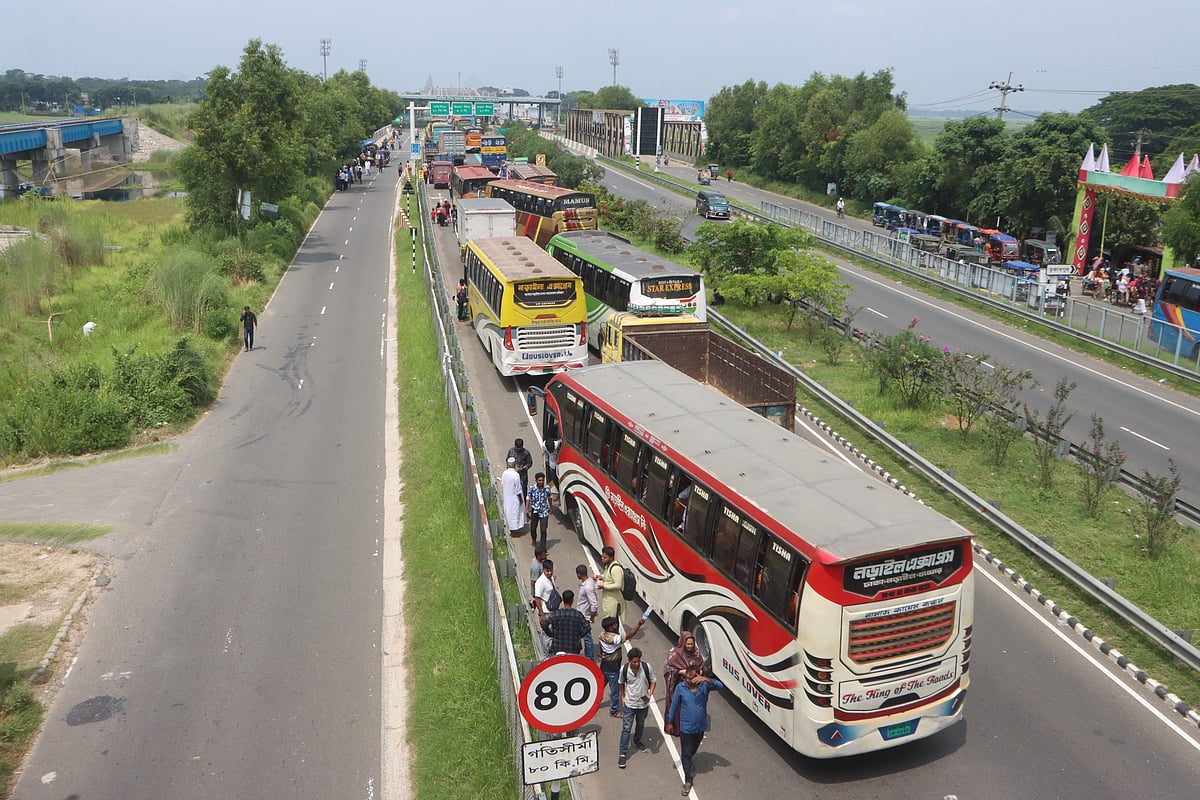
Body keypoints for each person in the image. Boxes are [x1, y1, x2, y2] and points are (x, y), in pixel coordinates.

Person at [667, 665, 724, 795]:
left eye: (692, 678)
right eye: (687, 678)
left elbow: (720, 686)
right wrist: (669, 722)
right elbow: (674, 704)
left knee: (693, 749)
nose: (689, 680)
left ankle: (688, 761)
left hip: (700, 726)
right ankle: (688, 780)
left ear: (698, 676)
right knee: (686, 754)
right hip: (686, 727)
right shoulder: (680, 688)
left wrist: (706, 679)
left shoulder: (705, 686)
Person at [598, 613, 648, 716]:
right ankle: (614, 711)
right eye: (614, 625)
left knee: (599, 687)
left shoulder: (601, 635)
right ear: (610, 628)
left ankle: (593, 703)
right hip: (613, 668)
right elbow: (629, 635)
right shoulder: (614, 638)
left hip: (604, 665)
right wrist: (639, 624)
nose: (616, 626)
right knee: (614, 692)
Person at [617, 646, 657, 768]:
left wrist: (650, 694)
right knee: (626, 729)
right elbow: (621, 683)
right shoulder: (624, 669)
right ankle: (623, 754)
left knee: (640, 724)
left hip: (643, 705)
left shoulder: (646, 667)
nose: (636, 664)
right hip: (629, 704)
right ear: (629, 661)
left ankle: (637, 740)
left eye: (638, 661)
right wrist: (623, 697)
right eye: (634, 662)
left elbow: (653, 681)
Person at [663, 630, 707, 728]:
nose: (690, 646)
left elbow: (701, 666)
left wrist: (699, 673)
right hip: (680, 686)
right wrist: (679, 672)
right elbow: (667, 668)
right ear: (683, 642)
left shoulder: (697, 653)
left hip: (693, 688)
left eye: (692, 644)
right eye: (688, 644)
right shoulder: (675, 654)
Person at [539, 589, 588, 655]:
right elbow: (587, 627)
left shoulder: (556, 614)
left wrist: (551, 634)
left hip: (558, 647)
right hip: (573, 647)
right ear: (572, 600)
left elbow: (544, 624)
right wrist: (579, 635)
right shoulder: (578, 614)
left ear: (562, 600)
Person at [575, 564, 600, 660]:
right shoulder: (589, 582)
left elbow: (594, 604)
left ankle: (589, 658)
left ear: (579, 574)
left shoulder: (587, 587)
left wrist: (591, 617)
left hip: (584, 616)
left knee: (587, 638)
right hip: (583, 614)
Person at [526, 472, 555, 551]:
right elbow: (528, 498)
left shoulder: (547, 488)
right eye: (539, 480)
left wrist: (551, 507)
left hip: (544, 511)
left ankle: (542, 547)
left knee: (543, 530)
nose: (541, 482)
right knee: (533, 528)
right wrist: (526, 510)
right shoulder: (532, 488)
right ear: (536, 480)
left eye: (542, 480)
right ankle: (534, 540)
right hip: (534, 511)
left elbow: (549, 497)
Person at [595, 546, 626, 620]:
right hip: (608, 599)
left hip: (613, 601)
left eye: (605, 557)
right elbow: (608, 576)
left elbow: (618, 585)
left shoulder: (615, 569)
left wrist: (604, 586)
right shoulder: (608, 566)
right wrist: (600, 577)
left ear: (611, 558)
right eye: (602, 556)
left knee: (611, 622)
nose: (602, 558)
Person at [501, 457, 527, 539]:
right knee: (515, 513)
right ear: (514, 465)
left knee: (509, 513)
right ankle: (514, 531)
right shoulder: (516, 475)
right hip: (514, 498)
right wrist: (520, 499)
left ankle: (512, 529)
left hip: (507, 496)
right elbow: (518, 488)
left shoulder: (504, 473)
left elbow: (502, 484)